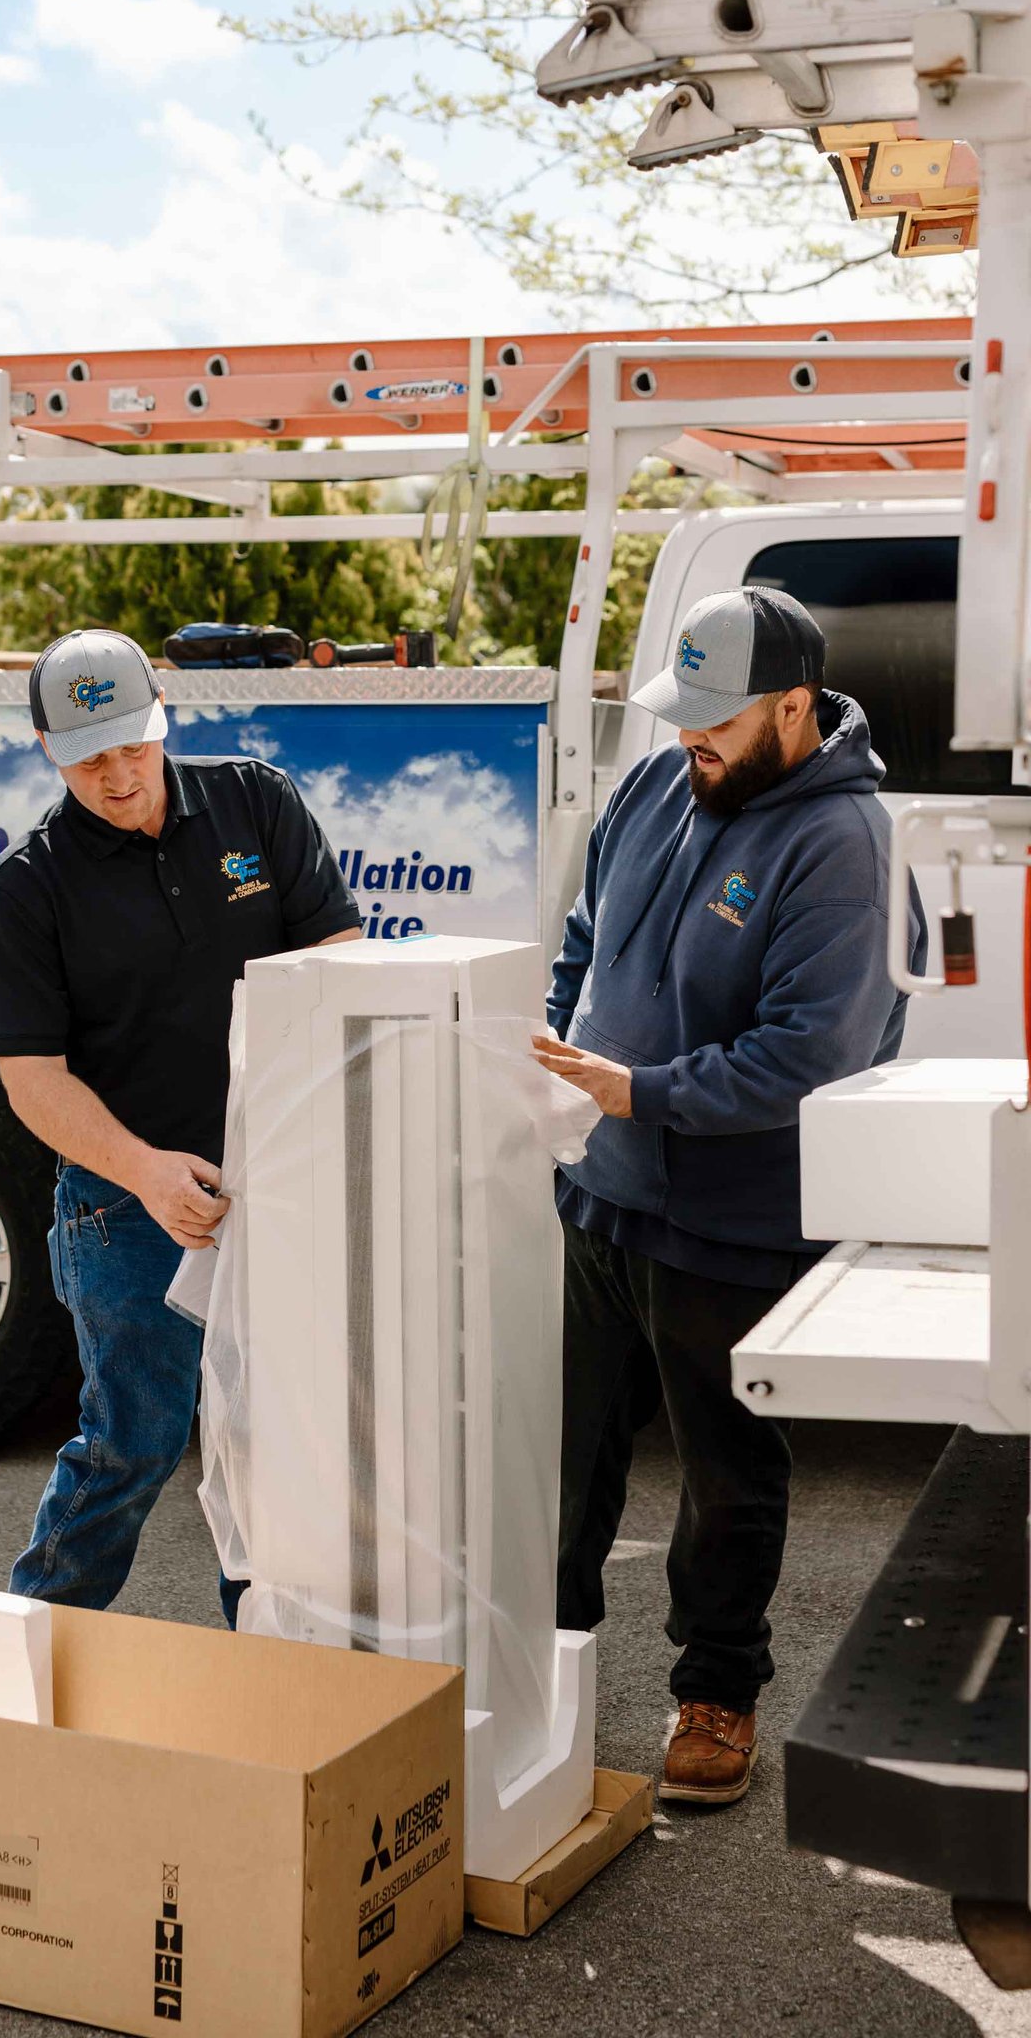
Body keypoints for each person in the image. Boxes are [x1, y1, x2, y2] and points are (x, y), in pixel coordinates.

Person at [531, 587, 926, 1808]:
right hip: (600, 1187)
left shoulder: (844, 845)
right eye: (681, 711)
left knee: (722, 1472)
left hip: (731, 1216)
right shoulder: (662, 783)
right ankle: (539, 1663)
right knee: (555, 1452)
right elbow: (584, 938)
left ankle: (717, 1690)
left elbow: (811, 1053)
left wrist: (633, 1090)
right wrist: (555, 1048)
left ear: (794, 708)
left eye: (715, 717)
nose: (688, 736)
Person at [0, 626, 362, 1622]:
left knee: (275, 1446)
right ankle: (33, 1648)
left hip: (274, 1186)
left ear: (162, 719)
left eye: (131, 745)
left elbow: (338, 961)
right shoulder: (27, 890)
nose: (116, 774)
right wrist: (147, 1171)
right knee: (132, 1444)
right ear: (44, 747)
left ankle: (265, 1660)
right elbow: (32, 1079)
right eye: (87, 755)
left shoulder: (255, 802)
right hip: (125, 1208)